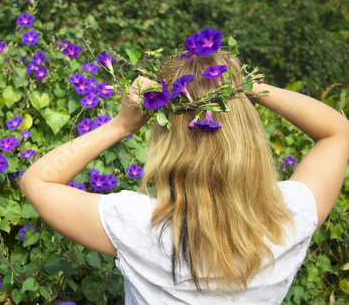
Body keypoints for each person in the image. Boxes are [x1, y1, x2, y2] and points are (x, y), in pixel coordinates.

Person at [20, 48, 349, 304]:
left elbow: (37, 181)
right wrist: (247, 87)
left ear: (168, 139)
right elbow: (338, 132)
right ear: (247, 132)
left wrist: (122, 124)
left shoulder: (138, 225)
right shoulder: (288, 218)